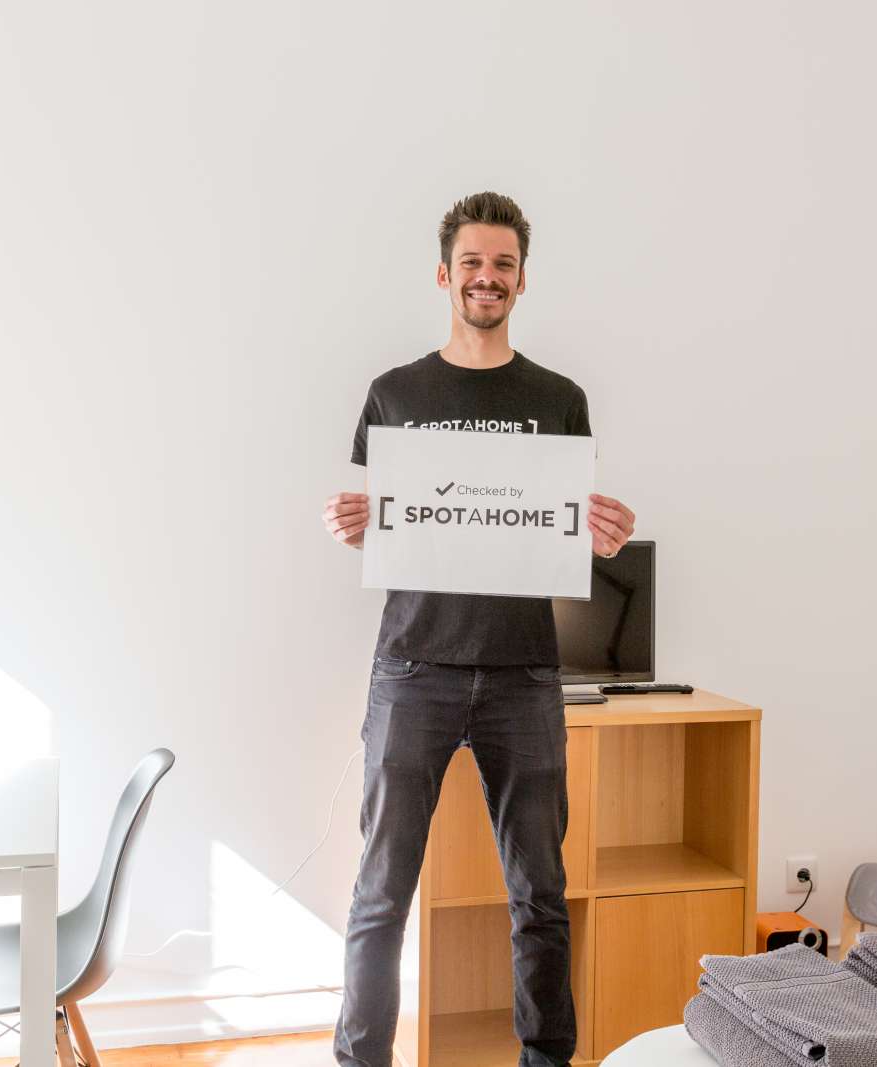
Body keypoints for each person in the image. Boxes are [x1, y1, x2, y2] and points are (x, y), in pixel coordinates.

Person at [323, 191, 636, 1067]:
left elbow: (556, 524)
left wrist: (599, 529)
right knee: (381, 891)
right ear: (445, 275)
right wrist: (360, 523)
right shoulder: (395, 393)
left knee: (540, 892)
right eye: (472, 263)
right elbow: (390, 515)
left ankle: (548, 1061)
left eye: (502, 264)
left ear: (522, 279)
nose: (487, 277)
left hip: (525, 676)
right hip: (411, 668)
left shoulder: (560, 399)